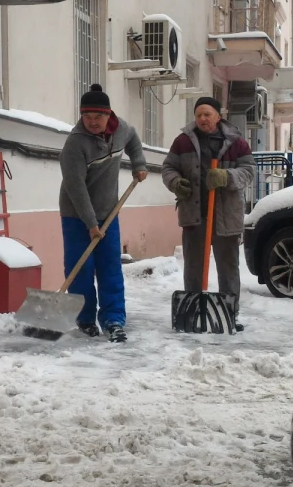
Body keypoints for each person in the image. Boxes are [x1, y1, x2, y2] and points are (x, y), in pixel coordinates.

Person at [59, 84, 149, 343]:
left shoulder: (121, 129)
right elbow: (76, 190)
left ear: (109, 114)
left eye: (97, 116)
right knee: (80, 268)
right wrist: (90, 223)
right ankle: (85, 318)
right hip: (77, 214)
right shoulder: (75, 145)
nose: (92, 122)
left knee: (110, 266)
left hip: (109, 211)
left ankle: (113, 319)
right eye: (87, 117)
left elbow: (132, 139)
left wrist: (139, 164)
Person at [161, 96, 256, 325]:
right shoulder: (183, 142)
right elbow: (168, 168)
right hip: (195, 214)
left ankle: (228, 315)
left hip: (225, 215)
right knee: (193, 266)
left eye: (207, 114)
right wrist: (175, 182)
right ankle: (192, 313)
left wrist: (227, 176)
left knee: (228, 267)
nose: (203, 119)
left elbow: (249, 171)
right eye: (199, 115)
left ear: (218, 116)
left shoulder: (236, 142)